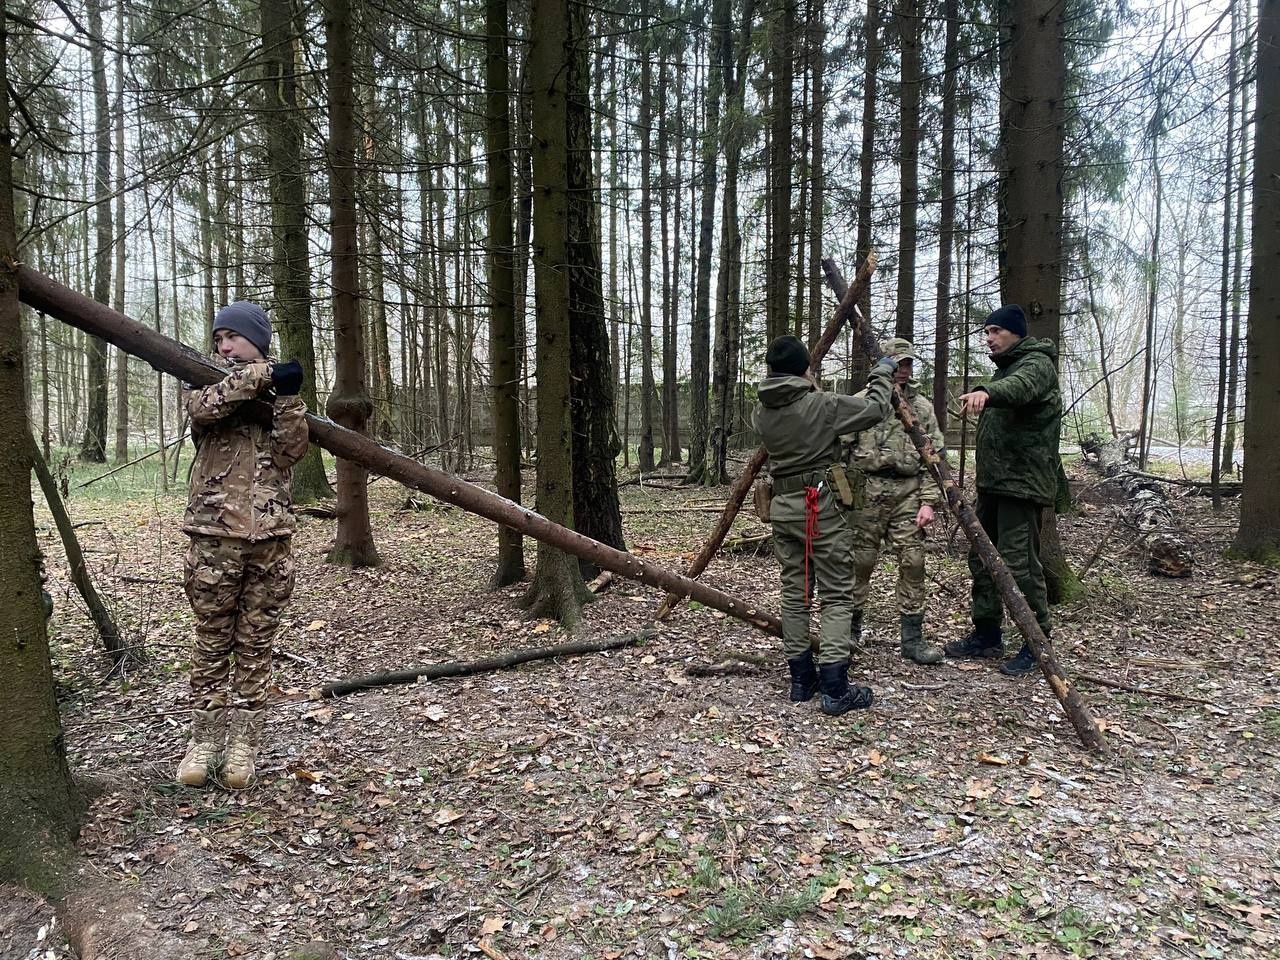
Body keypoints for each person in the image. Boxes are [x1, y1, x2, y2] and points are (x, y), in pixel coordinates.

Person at [177, 302, 309, 788]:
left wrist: (289, 396)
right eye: (219, 338)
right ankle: (204, 740)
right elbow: (202, 410)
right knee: (212, 639)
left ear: (258, 338)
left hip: (271, 540)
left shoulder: (277, 392)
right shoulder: (205, 383)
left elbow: (291, 451)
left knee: (256, 643)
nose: (223, 345)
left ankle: (243, 745)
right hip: (214, 536)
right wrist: (256, 376)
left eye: (233, 336)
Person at [753, 335, 896, 715]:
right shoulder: (822, 405)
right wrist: (882, 372)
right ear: (804, 369)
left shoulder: (762, 412)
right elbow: (876, 407)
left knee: (796, 595)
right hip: (821, 506)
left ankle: (802, 681)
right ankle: (835, 687)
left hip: (783, 509)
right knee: (836, 594)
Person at [944, 304, 1064, 677]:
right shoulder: (1009, 368)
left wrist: (986, 391)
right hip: (994, 485)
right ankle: (986, 634)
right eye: (987, 332)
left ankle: (1036, 641)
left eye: (996, 331)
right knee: (981, 559)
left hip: (1020, 487)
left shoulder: (1036, 365)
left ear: (1015, 333)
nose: (989, 338)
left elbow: (1020, 389)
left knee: (1020, 564)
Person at [843, 337, 946, 665]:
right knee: (859, 563)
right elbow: (838, 452)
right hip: (867, 494)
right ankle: (848, 634)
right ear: (883, 365)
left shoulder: (922, 408)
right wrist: (844, 498)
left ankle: (912, 640)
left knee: (913, 563)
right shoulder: (862, 403)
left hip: (908, 494)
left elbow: (935, 458)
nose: (904, 370)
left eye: (908, 364)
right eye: (898, 364)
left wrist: (929, 502)